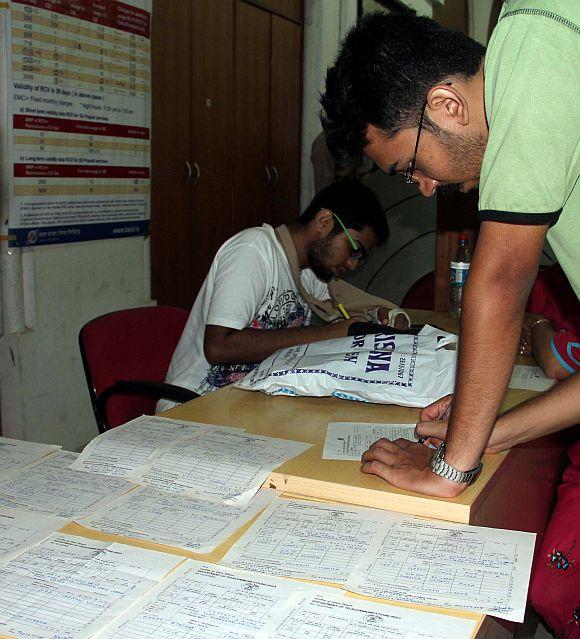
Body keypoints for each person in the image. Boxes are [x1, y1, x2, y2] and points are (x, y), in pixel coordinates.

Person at [321, 5, 579, 635]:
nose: (426, 187)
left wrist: (451, 470)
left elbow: (498, 278)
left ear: (447, 103)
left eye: (408, 167)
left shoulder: (534, 29)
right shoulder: (556, 158)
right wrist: (490, 432)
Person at [157, 180, 408, 410]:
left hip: (247, 402)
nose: (353, 265)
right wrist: (327, 334)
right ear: (324, 222)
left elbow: (348, 309)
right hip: (194, 405)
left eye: (361, 259)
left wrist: (384, 314)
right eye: (354, 250)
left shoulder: (310, 273)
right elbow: (219, 346)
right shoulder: (253, 250)